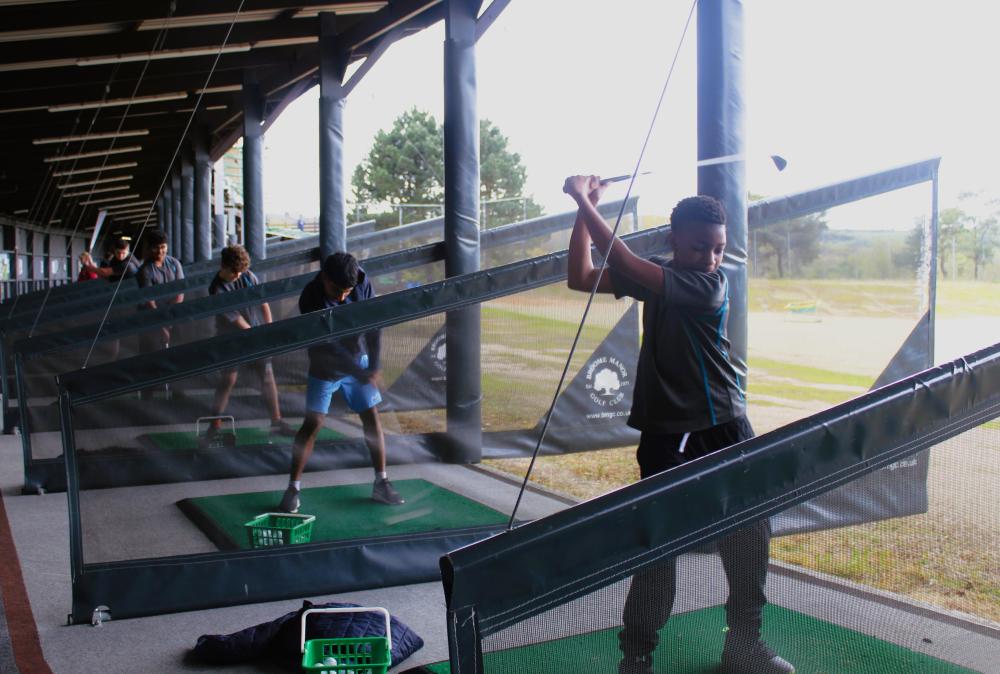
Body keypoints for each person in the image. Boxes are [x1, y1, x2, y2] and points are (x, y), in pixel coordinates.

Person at [563, 175, 794, 674]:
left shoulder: (709, 284)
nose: (711, 258)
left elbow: (622, 261)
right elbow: (581, 276)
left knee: (748, 533)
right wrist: (584, 211)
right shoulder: (660, 275)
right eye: (699, 247)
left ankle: (745, 645)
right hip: (668, 433)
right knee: (658, 542)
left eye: (718, 249)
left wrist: (582, 198)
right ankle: (638, 655)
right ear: (673, 240)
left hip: (723, 422)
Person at [277, 252, 403, 512]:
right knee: (314, 423)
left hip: (358, 358)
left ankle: (382, 483)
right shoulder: (310, 297)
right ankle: (293, 488)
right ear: (324, 277)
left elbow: (374, 325)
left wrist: (375, 365)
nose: (343, 297)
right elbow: (329, 344)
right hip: (326, 366)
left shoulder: (361, 281)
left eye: (348, 291)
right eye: (337, 290)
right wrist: (360, 372)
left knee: (371, 417)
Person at [205, 245, 295, 438]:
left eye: (240, 272)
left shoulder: (248, 276)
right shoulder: (216, 287)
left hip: (254, 332)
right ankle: (215, 423)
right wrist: (257, 333)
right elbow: (236, 319)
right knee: (229, 379)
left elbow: (263, 302)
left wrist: (268, 328)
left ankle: (276, 421)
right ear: (223, 265)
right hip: (231, 338)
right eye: (233, 272)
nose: (237, 276)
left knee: (267, 375)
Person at [136, 229, 184, 352]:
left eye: (163, 247)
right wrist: (162, 326)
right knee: (151, 353)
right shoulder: (145, 270)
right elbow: (150, 302)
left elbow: (180, 292)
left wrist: (170, 319)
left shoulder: (174, 263)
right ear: (149, 248)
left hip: (172, 315)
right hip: (151, 319)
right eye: (155, 248)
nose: (160, 251)